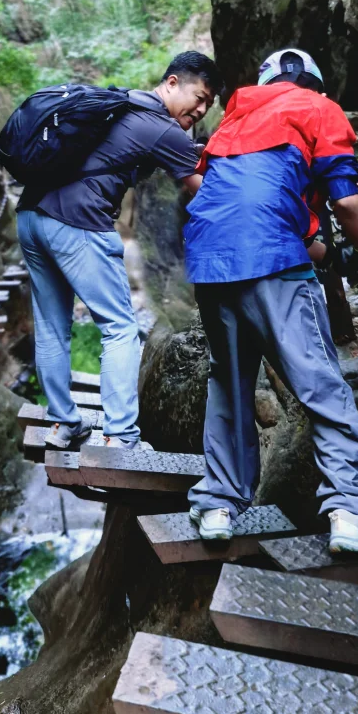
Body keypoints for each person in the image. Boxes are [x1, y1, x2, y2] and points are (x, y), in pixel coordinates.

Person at [182, 47, 358, 551]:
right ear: (312, 83)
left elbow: (243, 203)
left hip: (211, 260)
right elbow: (345, 201)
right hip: (272, 260)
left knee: (229, 383)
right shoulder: (318, 108)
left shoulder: (232, 125)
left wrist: (330, 256)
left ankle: (217, 504)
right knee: (319, 381)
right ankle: (352, 511)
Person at [18, 51, 221, 450]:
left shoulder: (119, 103)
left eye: (209, 105)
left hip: (31, 217)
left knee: (52, 329)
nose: (200, 109)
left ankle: (62, 424)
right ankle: (121, 436)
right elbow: (204, 189)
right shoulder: (162, 128)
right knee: (120, 328)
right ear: (172, 83)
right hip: (75, 222)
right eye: (199, 97)